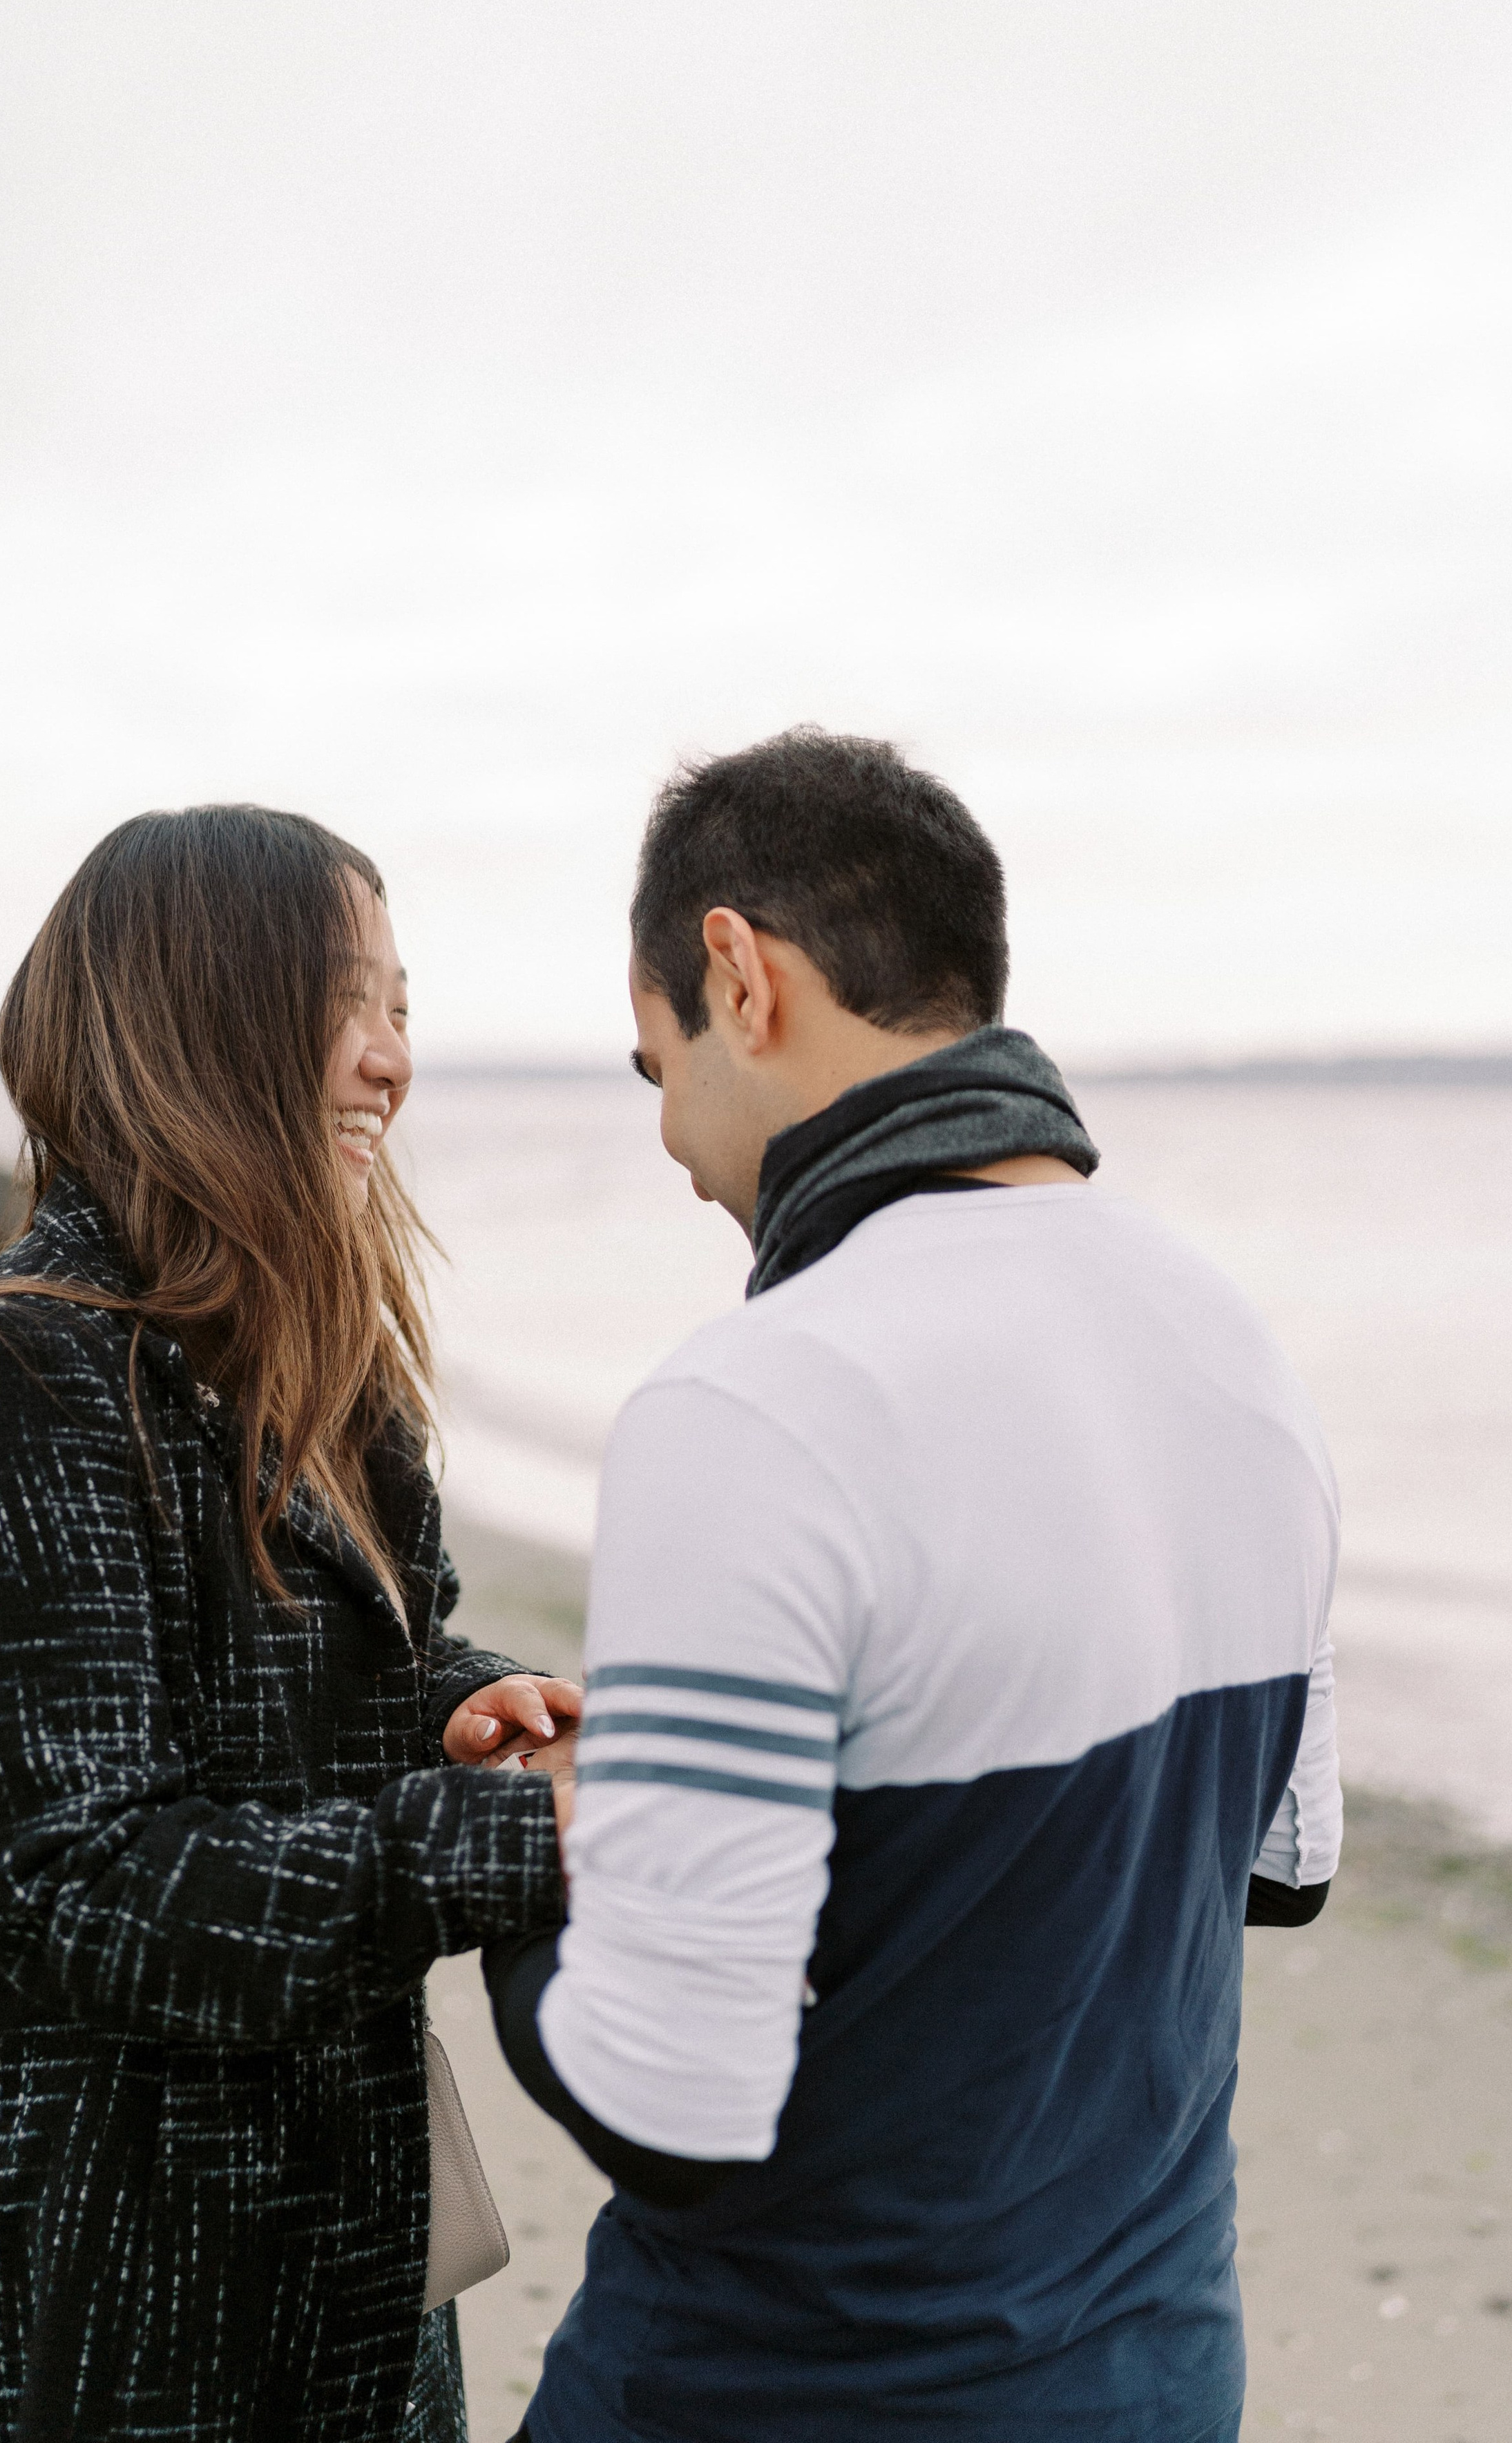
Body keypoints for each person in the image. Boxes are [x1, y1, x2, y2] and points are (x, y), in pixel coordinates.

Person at [488, 729, 1341, 2443]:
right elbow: (1279, 1875)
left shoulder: (754, 1407)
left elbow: (671, 2112)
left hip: (795, 2397)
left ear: (738, 975)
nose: (672, 1142)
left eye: (655, 1065)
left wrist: (548, 1841)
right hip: (1153, 2381)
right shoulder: (1233, 1347)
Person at [0, 805, 580, 2443]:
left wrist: (471, 1705)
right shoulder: (14, 1384)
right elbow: (80, 1884)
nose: (391, 1062)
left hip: (331, 2265)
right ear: (200, 1019)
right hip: (70, 2305)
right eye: (347, 1004)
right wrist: (517, 1845)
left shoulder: (320, 1366)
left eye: (402, 1010)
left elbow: (331, 1660)